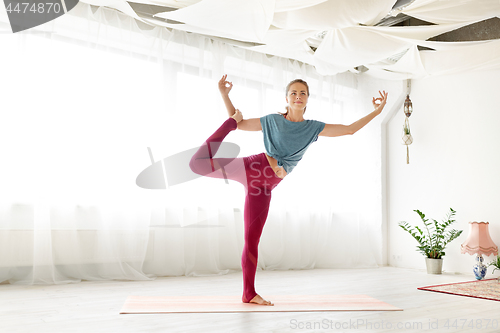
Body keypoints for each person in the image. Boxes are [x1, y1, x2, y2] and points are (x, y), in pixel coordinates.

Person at [189, 74, 388, 306]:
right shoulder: (272, 120)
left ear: (307, 99)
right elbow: (240, 123)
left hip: (265, 187)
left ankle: (248, 293)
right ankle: (225, 127)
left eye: (302, 93)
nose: (298, 96)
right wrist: (225, 97)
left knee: (252, 239)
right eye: (293, 92)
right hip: (253, 168)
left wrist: (377, 111)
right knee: (197, 163)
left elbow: (349, 129)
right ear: (286, 98)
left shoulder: (313, 128)